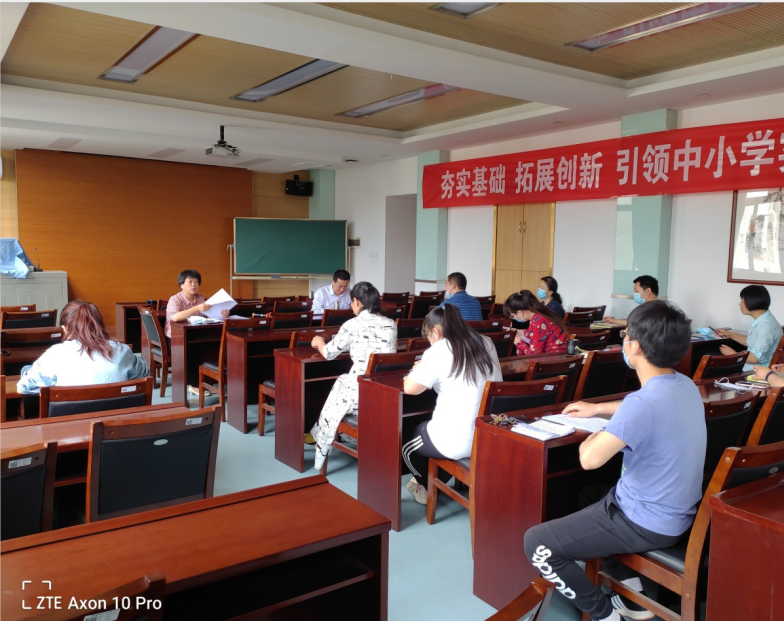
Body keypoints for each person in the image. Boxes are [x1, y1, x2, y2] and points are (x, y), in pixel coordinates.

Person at [523, 301, 706, 621]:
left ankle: (605, 615)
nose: (624, 342)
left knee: (538, 544)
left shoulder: (642, 405)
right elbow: (642, 406)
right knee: (589, 495)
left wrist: (602, 430)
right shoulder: (685, 384)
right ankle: (628, 585)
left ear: (635, 347)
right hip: (679, 513)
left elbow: (588, 459)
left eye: (625, 336)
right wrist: (598, 409)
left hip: (646, 521)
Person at [401, 305, 502, 504]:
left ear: (436, 332)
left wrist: (417, 370)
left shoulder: (440, 348)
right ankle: (438, 478)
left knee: (407, 444)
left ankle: (427, 485)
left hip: (458, 441)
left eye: (429, 337)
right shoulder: (487, 342)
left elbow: (410, 388)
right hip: (489, 437)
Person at [310, 282, 397, 470]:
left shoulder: (352, 325)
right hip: (384, 391)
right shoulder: (391, 324)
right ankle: (318, 433)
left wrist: (319, 341)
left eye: (351, 302)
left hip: (360, 393)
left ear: (356, 301)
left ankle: (320, 440)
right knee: (342, 382)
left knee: (340, 384)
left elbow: (329, 353)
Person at [17, 300, 149, 393]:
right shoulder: (122, 350)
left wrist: (29, 372)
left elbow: (24, 387)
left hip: (70, 424)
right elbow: (144, 373)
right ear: (99, 325)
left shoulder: (55, 354)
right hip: (116, 422)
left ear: (65, 329)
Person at [716, 284, 782, 370]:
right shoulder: (763, 320)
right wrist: (730, 334)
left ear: (753, 301)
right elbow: (751, 341)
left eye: (742, 301)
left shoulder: (766, 326)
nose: (739, 304)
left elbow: (754, 358)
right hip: (748, 366)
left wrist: (733, 354)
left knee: (710, 362)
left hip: (755, 370)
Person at [165, 269, 228, 339]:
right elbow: (175, 317)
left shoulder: (200, 298)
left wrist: (222, 315)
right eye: (190, 282)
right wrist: (197, 308)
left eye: (196, 282)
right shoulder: (175, 299)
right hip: (177, 337)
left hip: (197, 334)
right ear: (181, 285)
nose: (194, 285)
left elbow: (208, 315)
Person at [504, 290, 568, 356]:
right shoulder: (540, 315)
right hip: (559, 356)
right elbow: (536, 333)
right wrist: (518, 331)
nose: (514, 318)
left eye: (513, 316)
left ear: (520, 312)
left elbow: (533, 355)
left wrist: (519, 343)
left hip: (554, 359)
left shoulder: (537, 321)